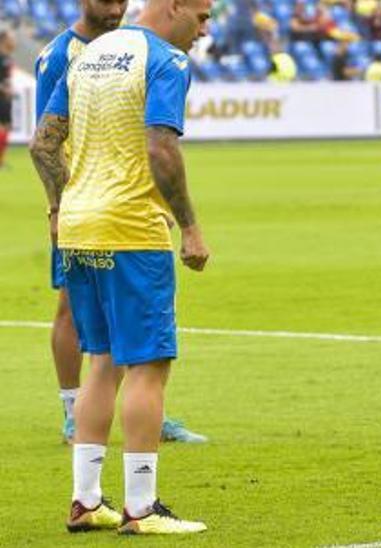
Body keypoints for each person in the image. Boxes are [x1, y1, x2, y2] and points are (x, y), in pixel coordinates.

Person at [31, 0, 215, 534]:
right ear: (173, 6)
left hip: (80, 225)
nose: (204, 31)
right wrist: (191, 227)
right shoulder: (165, 61)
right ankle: (141, 507)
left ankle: (86, 501)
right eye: (201, 17)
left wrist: (61, 206)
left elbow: (44, 144)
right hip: (132, 228)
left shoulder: (85, 56)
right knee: (149, 364)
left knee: (102, 362)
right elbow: (161, 147)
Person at [0, 30, 14, 170]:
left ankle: (2, 161)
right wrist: (4, 89)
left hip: (6, 97)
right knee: (3, 127)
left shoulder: (7, 57)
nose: (13, 41)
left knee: (6, 127)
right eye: (11, 38)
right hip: (1, 97)